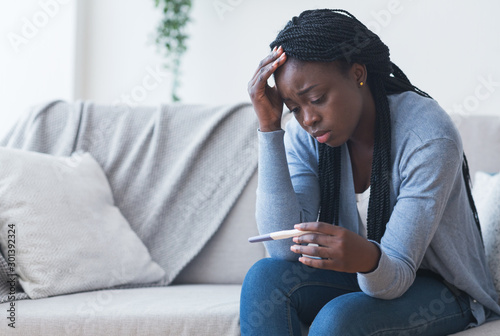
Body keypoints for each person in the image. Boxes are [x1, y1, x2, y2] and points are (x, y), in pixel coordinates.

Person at [240, 8, 500, 336]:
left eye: (317, 99)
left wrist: (366, 258)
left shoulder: (428, 136)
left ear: (358, 74)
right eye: (295, 108)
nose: (308, 119)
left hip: (441, 288)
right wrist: (269, 127)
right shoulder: (305, 136)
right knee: (264, 280)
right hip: (360, 274)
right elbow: (282, 249)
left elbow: (397, 274)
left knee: (339, 319)